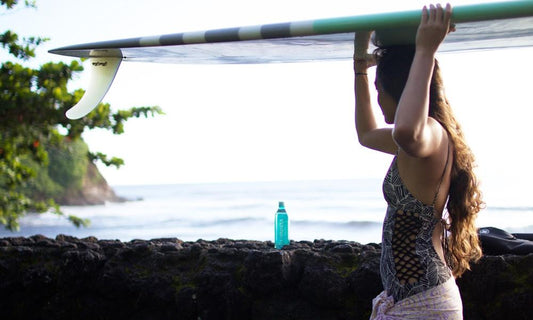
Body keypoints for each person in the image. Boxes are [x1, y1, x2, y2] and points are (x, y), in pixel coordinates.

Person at [353, 4, 483, 319]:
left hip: (425, 303)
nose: (379, 98)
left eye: (380, 90)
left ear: (401, 89)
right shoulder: (414, 142)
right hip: (415, 299)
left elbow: (408, 129)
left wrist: (425, 49)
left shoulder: (429, 135)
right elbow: (367, 133)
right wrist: (359, 66)